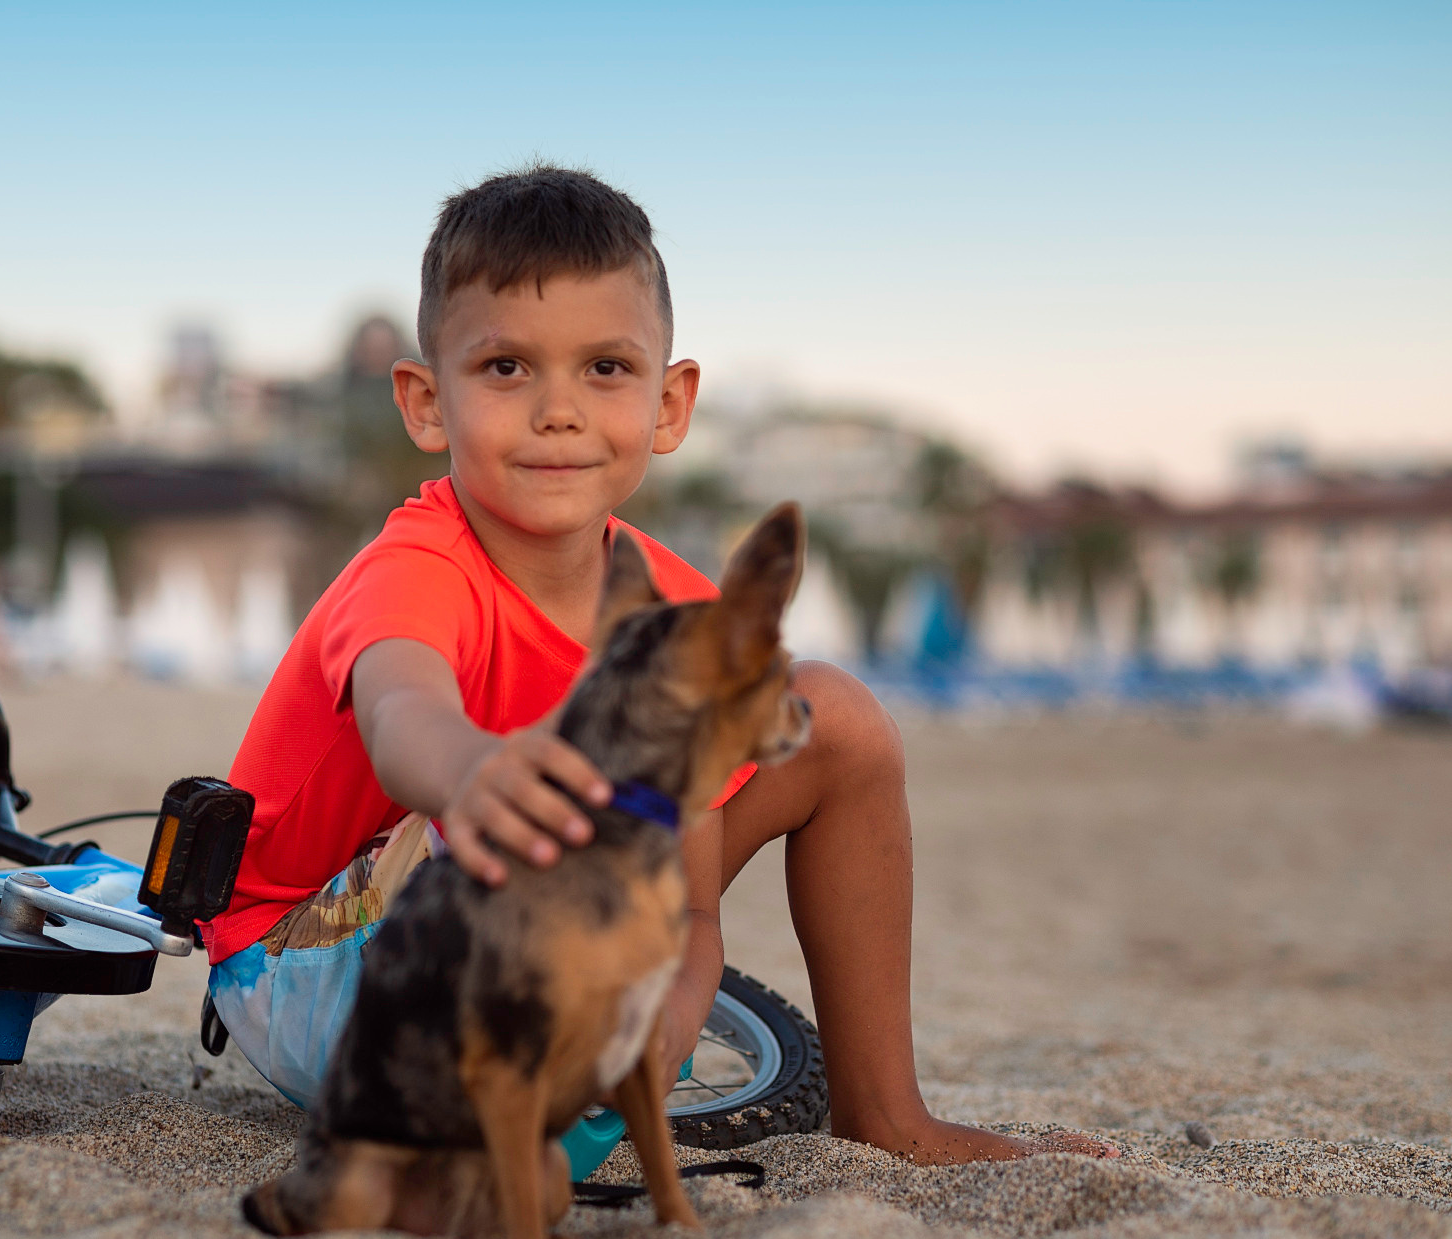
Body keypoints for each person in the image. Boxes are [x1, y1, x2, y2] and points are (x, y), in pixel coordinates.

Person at [205, 164, 1114, 1164]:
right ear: (427, 403)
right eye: (506, 368)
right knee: (539, 790)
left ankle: (886, 1115)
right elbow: (399, 708)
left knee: (832, 716)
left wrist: (684, 986)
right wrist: (470, 768)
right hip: (300, 957)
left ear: (669, 403)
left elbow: (685, 882)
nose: (558, 410)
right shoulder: (419, 563)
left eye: (604, 368)